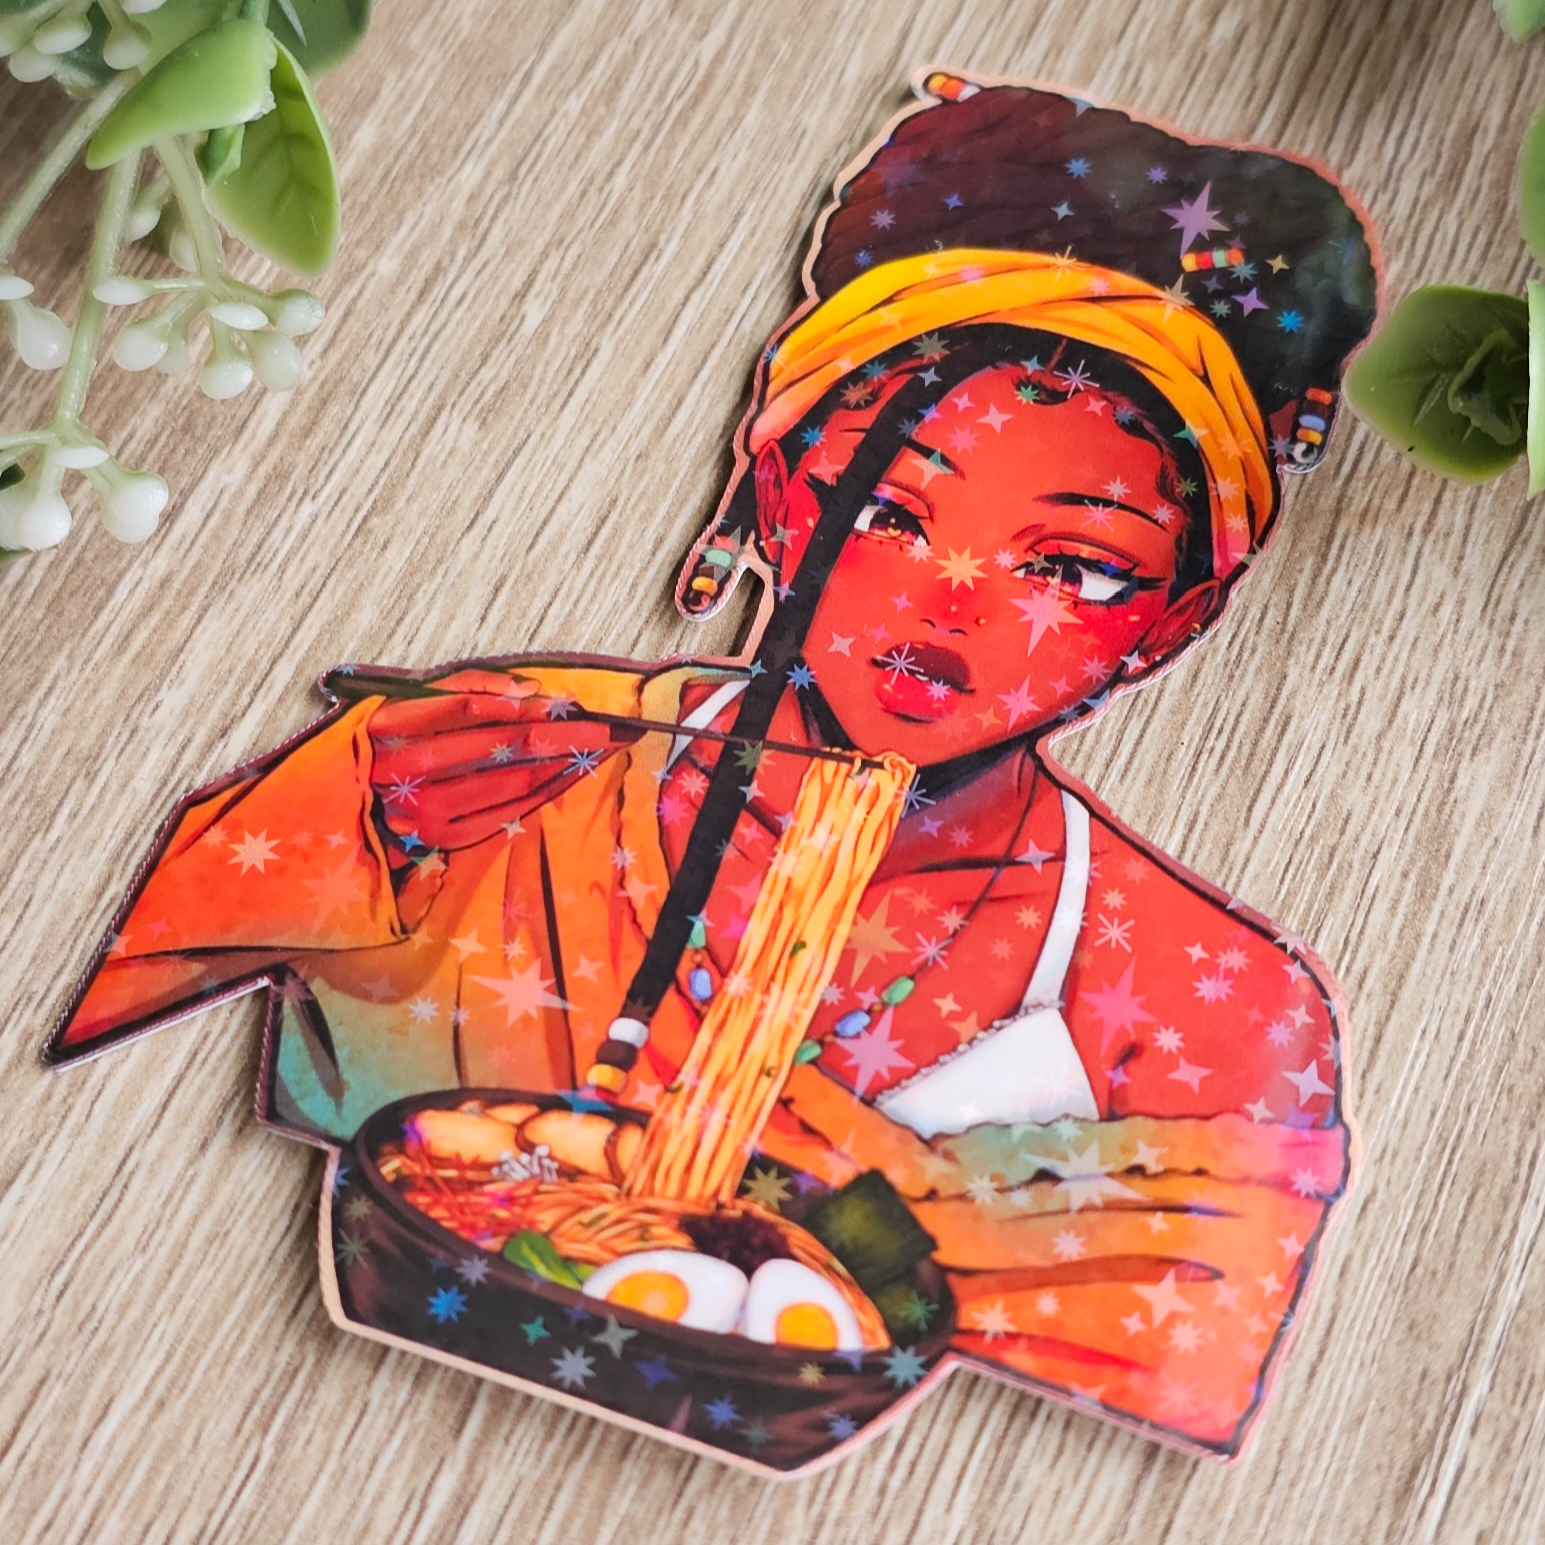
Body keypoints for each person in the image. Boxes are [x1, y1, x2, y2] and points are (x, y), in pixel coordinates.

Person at [47, 72, 1377, 1464]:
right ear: (780, 494)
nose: (951, 604)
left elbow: (1179, 1358)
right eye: (887, 510)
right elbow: (88, 1010)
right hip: (232, 1377)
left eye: (1073, 566)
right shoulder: (467, 770)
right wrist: (336, 828)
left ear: (1175, 616)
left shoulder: (1215, 1003)